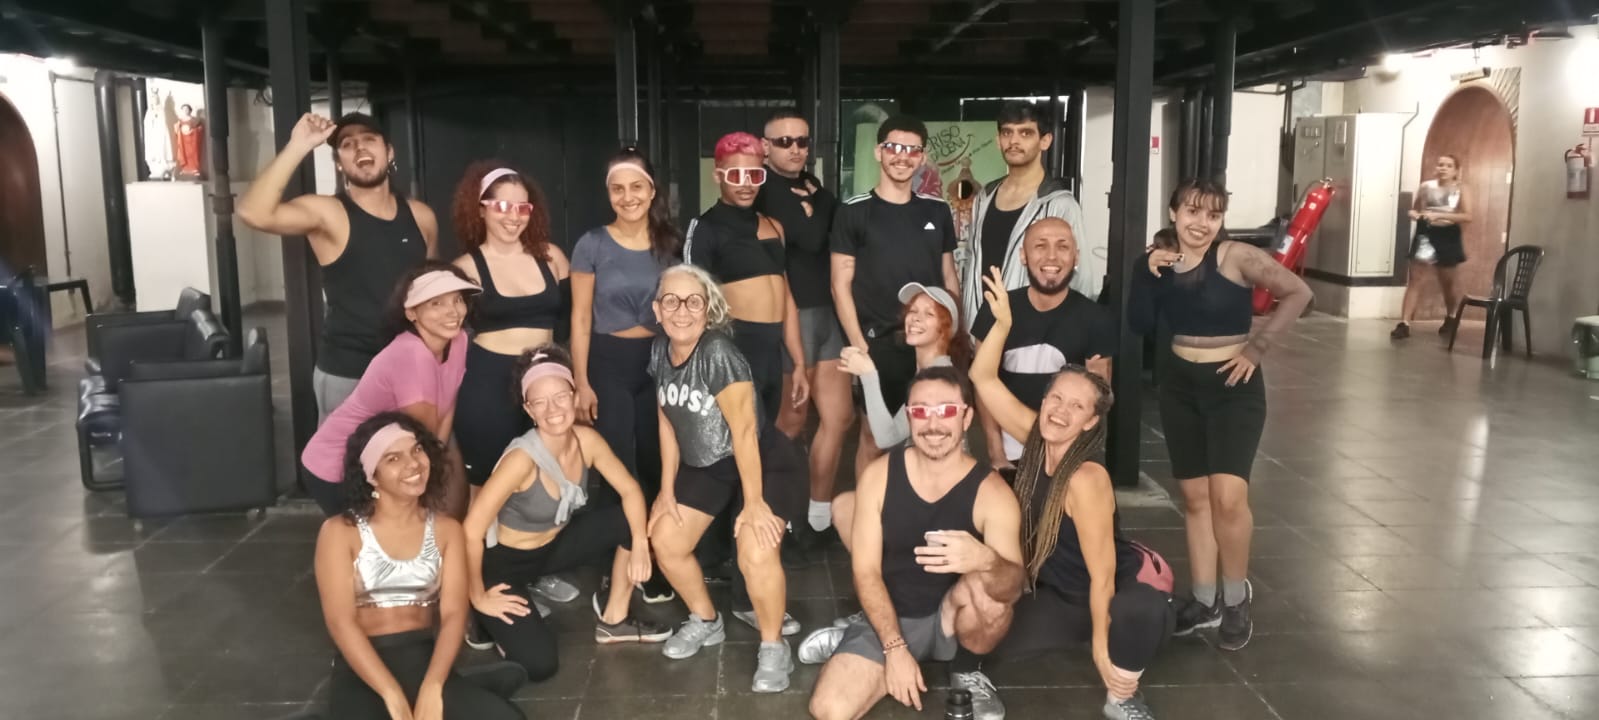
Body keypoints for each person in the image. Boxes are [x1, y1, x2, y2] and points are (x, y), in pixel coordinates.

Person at [966, 268, 1176, 720]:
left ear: (1090, 422)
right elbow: (982, 378)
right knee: (976, 633)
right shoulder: (1035, 437)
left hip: (1092, 594)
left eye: (1076, 406)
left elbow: (1103, 577)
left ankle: (1123, 696)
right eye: (1056, 399)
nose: (1060, 411)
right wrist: (1002, 325)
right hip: (1051, 589)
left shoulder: (1086, 478)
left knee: (1138, 610)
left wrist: (1101, 649)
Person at [1129, 178, 1313, 651]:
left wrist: (1257, 348)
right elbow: (1139, 324)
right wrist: (1146, 272)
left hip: (1234, 388)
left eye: (1212, 215)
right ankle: (1204, 600)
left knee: (1228, 499)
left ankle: (1235, 599)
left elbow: (1298, 292)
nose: (1201, 223)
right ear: (1173, 213)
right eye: (1192, 212)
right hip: (1180, 387)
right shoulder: (1161, 262)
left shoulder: (1235, 256)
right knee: (1195, 499)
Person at [798, 366, 1026, 720]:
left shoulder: (992, 494)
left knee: (993, 600)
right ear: (909, 417)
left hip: (954, 614)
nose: (933, 424)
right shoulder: (879, 476)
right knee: (829, 709)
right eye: (921, 411)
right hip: (893, 613)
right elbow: (866, 571)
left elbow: (1012, 588)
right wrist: (894, 648)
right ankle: (864, 636)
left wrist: (985, 560)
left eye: (946, 410)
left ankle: (966, 668)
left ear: (966, 417)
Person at [463, 345, 671, 682]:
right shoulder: (521, 460)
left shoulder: (587, 440)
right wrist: (478, 596)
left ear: (575, 397)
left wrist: (640, 544)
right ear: (529, 409)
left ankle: (615, 618)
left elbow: (631, 490)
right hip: (505, 564)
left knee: (626, 519)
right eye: (540, 402)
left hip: (551, 550)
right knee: (539, 665)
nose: (553, 409)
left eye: (560, 397)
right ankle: (482, 618)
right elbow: (471, 531)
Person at [646, 264, 806, 692]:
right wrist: (666, 490)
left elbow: (745, 431)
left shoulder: (718, 352)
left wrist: (754, 504)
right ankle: (706, 620)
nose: (682, 310)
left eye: (693, 301)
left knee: (756, 548)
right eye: (671, 301)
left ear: (708, 309)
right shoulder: (660, 350)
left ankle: (773, 646)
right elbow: (667, 421)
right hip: (711, 465)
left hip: (763, 459)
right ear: (657, 310)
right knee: (666, 538)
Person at [312, 412, 523, 720]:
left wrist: (434, 685)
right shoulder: (339, 532)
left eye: (417, 450)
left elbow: (453, 615)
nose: (413, 464)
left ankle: (467, 686)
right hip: (362, 669)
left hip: (423, 660)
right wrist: (392, 694)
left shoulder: (447, 530)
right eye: (393, 459)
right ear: (372, 475)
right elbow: (341, 623)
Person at [238, 112, 437, 421]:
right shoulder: (328, 213)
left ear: (389, 152)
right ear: (339, 164)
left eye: (369, 139)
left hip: (410, 366)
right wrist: (298, 145)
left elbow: (432, 290)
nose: (359, 148)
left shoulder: (421, 216)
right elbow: (254, 212)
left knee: (416, 451)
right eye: (347, 144)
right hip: (349, 373)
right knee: (347, 455)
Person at [571, 148, 680, 602]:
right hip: (608, 362)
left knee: (656, 463)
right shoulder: (592, 244)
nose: (627, 196)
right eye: (618, 189)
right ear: (608, 194)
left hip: (658, 361)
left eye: (636, 187)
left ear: (652, 191)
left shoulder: (670, 244)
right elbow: (580, 318)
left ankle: (650, 560)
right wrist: (581, 381)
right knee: (617, 468)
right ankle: (611, 567)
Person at [831, 114, 959, 475]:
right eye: (894, 147)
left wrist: (950, 337)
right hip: (879, 344)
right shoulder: (854, 211)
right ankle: (870, 512)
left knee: (930, 434)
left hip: (929, 343)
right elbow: (840, 284)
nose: (902, 156)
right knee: (874, 437)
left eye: (912, 150)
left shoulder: (937, 210)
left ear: (923, 157)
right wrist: (861, 346)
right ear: (879, 152)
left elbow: (949, 276)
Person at [300, 263, 478, 518]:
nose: (452, 311)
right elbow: (420, 435)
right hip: (338, 465)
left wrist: (435, 459)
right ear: (411, 313)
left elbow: (448, 404)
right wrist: (428, 472)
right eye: (436, 303)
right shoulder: (412, 355)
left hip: (390, 458)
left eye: (457, 300)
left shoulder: (458, 340)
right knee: (373, 540)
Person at [756, 109, 851, 538]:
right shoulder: (764, 190)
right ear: (765, 147)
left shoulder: (811, 189)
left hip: (830, 309)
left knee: (839, 417)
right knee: (790, 424)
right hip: (792, 314)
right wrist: (817, 205)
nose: (795, 149)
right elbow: (814, 238)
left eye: (802, 141)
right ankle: (778, 512)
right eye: (784, 142)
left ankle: (817, 514)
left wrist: (816, 207)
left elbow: (836, 218)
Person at [449, 164, 569, 492]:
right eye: (502, 206)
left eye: (522, 208)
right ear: (480, 209)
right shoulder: (465, 269)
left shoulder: (552, 258)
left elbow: (576, 322)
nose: (513, 216)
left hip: (545, 380)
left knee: (549, 481)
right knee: (486, 484)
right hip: (489, 383)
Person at [685, 132, 809, 427]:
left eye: (754, 175)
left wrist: (799, 362)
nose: (746, 184)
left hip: (772, 352)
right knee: (735, 438)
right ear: (718, 175)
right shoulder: (704, 228)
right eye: (736, 175)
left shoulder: (774, 226)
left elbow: (786, 297)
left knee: (764, 437)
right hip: (733, 348)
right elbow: (691, 304)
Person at [971, 218, 1115, 470]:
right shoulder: (997, 309)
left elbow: (1097, 402)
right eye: (1040, 245)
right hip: (1007, 451)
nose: (1052, 256)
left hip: (1066, 450)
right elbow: (983, 386)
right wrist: (996, 454)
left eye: (1063, 246)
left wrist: (1073, 459)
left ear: (1076, 256)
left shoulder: (1095, 318)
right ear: (1023, 255)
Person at [961, 101, 1091, 328]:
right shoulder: (984, 198)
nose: (1014, 141)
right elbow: (970, 260)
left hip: (1032, 335)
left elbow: (1082, 279)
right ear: (998, 140)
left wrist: (1063, 336)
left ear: (1045, 141)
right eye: (1007, 133)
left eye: (1025, 133)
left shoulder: (1060, 204)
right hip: (978, 329)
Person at [840, 283, 968, 458]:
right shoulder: (930, 370)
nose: (915, 318)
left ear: (946, 329)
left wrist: (868, 374)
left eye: (929, 314)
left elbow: (886, 438)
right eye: (913, 311)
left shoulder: (937, 377)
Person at [1392, 153, 1472, 340]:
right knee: (1416, 278)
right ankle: (1404, 323)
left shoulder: (1461, 189)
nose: (1443, 168)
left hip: (1448, 234)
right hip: (1426, 232)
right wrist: (1414, 214)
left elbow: (1467, 215)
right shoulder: (1426, 186)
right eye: (1440, 164)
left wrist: (1441, 216)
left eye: (1448, 165)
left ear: (1456, 171)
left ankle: (1451, 316)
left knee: (1447, 281)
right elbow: (1415, 208)